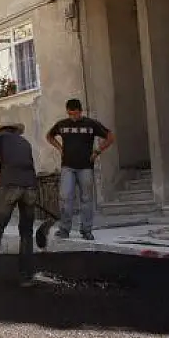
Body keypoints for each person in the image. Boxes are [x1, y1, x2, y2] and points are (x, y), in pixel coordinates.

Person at [0, 123, 38, 292]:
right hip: (30, 187)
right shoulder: (25, 142)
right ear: (17, 131)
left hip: (10, 186)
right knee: (26, 232)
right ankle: (26, 278)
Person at [46, 98, 115, 240]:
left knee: (87, 199)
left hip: (86, 167)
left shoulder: (91, 124)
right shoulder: (62, 124)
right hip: (67, 166)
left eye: (76, 114)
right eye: (70, 114)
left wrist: (97, 151)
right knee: (65, 197)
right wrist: (60, 148)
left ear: (80, 111)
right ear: (67, 112)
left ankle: (86, 230)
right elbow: (49, 136)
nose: (73, 117)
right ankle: (64, 229)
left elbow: (110, 136)